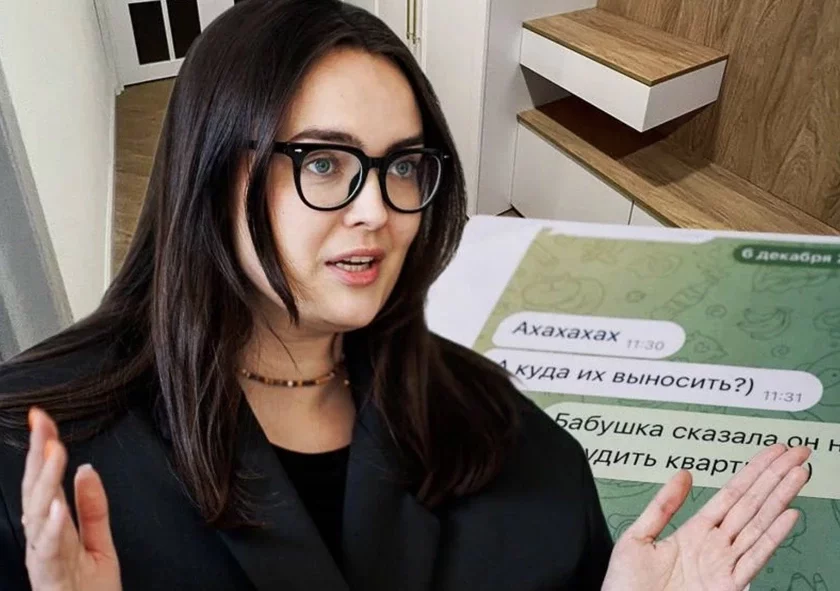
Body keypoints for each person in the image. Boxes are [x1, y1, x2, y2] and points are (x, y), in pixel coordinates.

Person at [0, 1, 811, 589]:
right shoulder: (42, 471)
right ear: (212, 170)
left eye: (403, 166)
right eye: (325, 162)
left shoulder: (491, 425)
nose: (376, 209)